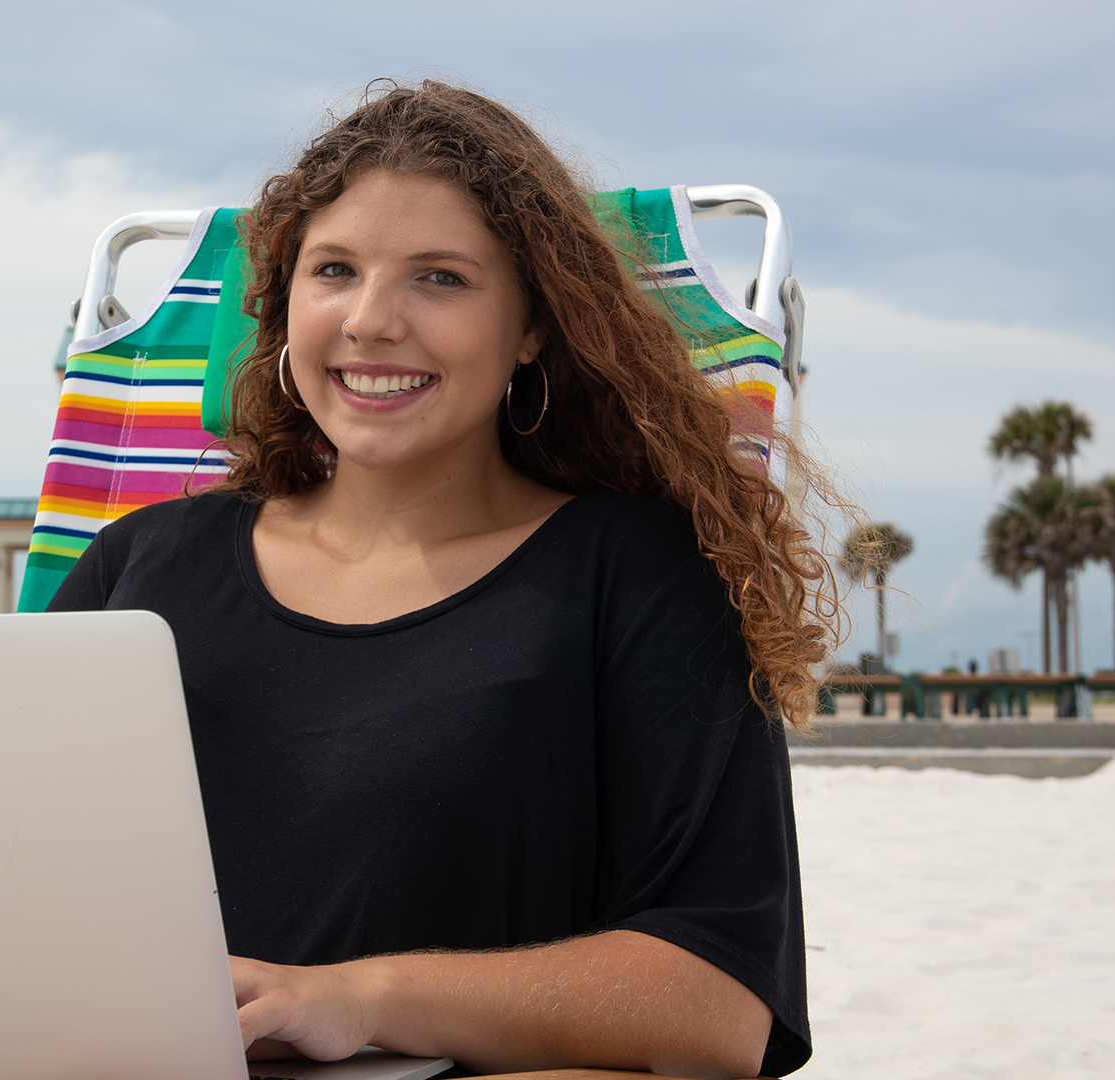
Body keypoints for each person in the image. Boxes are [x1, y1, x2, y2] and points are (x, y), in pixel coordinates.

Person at [48, 81, 837, 1079]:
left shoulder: (638, 576)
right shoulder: (140, 566)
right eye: (333, 269)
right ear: (282, 304)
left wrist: (358, 998)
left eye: (440, 279)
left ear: (532, 329)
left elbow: (718, 1004)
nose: (372, 321)